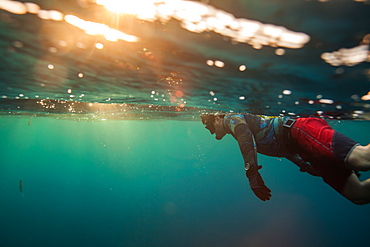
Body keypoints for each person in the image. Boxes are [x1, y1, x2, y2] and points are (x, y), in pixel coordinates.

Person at [200, 113, 370, 205]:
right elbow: (282, 148)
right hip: (301, 147)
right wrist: (307, 166)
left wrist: (252, 173)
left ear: (217, 117)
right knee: (358, 193)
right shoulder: (236, 131)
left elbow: (245, 133)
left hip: (299, 130)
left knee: (363, 159)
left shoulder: (231, 118)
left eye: (209, 126)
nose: (209, 131)